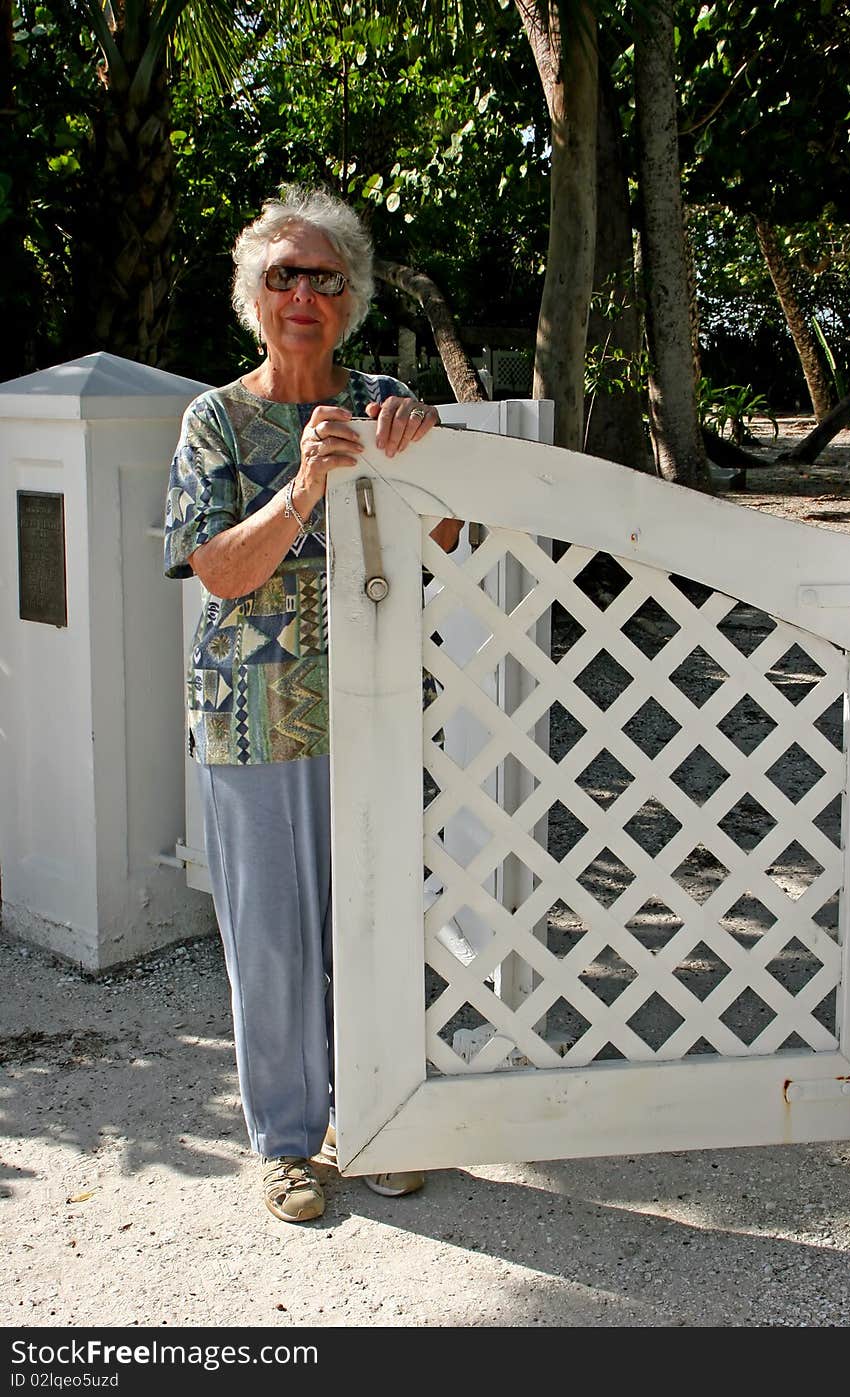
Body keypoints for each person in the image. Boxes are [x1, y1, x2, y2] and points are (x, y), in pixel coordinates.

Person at [164, 184, 453, 1223]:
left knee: (377, 920)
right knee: (274, 940)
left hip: (374, 711)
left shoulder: (384, 400)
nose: (301, 293)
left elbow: (453, 539)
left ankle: (373, 1119)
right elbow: (217, 570)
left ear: (351, 295)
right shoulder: (215, 420)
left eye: (322, 276)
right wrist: (301, 488)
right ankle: (290, 1143)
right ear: (254, 294)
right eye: (281, 274)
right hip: (248, 719)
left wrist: (428, 452)